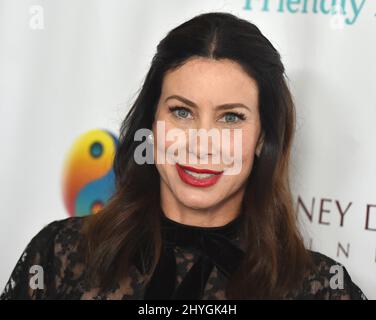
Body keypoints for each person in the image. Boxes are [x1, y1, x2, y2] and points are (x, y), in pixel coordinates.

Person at [1, 12, 367, 300]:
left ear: (263, 138)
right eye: (181, 112)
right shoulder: (58, 255)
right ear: (151, 123)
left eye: (230, 118)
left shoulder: (320, 288)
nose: (200, 143)